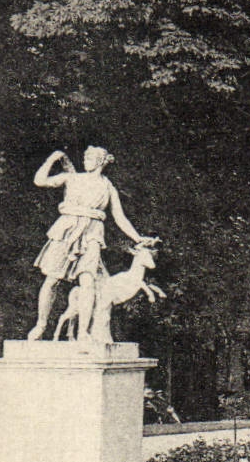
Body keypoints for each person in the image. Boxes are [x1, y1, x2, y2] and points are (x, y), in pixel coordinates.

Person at [26, 146, 154, 341]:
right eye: (85, 157)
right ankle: (40, 325)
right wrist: (51, 159)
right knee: (52, 279)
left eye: (90, 158)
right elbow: (39, 180)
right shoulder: (72, 178)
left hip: (93, 233)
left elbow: (120, 217)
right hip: (66, 229)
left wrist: (137, 238)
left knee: (88, 281)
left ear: (101, 161)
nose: (86, 160)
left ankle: (83, 332)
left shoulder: (107, 187)